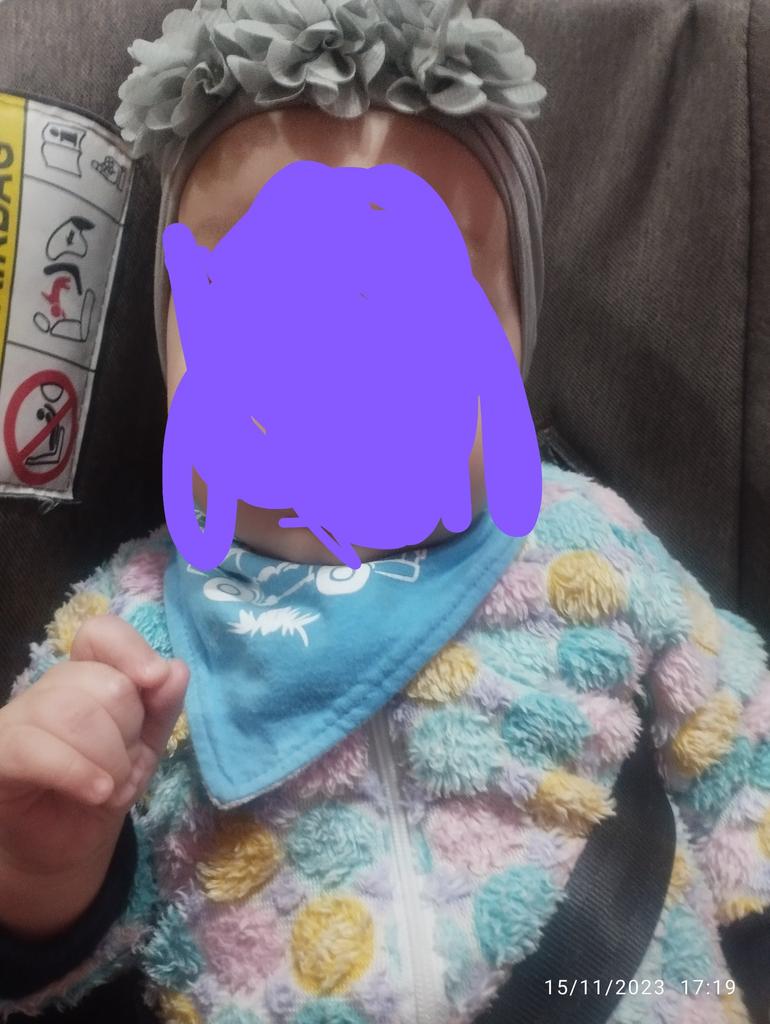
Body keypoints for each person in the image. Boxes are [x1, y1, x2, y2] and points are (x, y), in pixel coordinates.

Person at [0, 2, 768, 1023]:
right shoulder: (123, 643)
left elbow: (742, 750)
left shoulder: (589, 549)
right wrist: (45, 875)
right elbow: (63, 975)